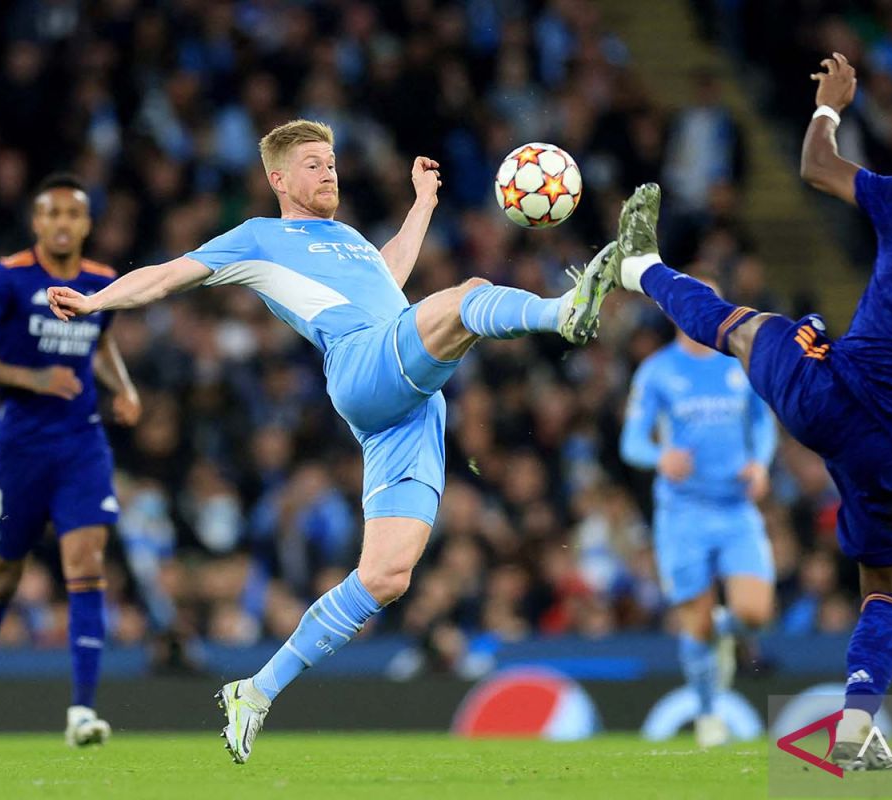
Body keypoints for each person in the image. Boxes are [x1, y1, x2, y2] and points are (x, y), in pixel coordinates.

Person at [47, 119, 618, 764]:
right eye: (314, 164)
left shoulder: (347, 238)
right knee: (471, 296)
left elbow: (389, 279)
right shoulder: (260, 238)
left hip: (408, 405)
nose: (329, 173)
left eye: (332, 162)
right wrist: (98, 303)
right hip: (361, 366)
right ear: (279, 179)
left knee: (385, 576)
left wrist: (423, 204)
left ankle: (256, 691)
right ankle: (563, 311)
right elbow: (166, 275)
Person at [606, 53, 892, 770]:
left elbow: (818, 166)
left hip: (830, 395)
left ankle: (640, 268)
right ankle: (855, 729)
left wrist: (831, 104)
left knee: (742, 328)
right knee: (886, 588)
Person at [0, 173, 142, 746]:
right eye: (50, 213)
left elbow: (100, 342)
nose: (61, 223)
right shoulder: (5, 278)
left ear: (86, 224)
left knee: (87, 562)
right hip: (19, 447)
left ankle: (81, 711)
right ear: (36, 222)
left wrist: (123, 386)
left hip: (81, 444)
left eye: (72, 214)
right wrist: (29, 376)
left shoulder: (102, 282)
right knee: (3, 573)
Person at [619, 279, 776, 748]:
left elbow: (763, 424)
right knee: (697, 622)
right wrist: (659, 457)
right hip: (682, 513)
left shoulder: (739, 364)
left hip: (735, 508)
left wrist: (760, 463)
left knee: (755, 612)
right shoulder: (656, 372)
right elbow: (631, 442)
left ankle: (725, 636)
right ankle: (708, 715)